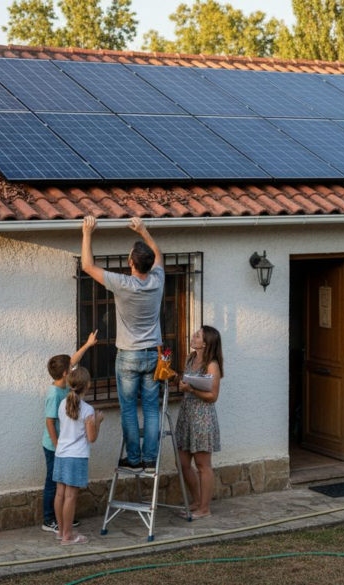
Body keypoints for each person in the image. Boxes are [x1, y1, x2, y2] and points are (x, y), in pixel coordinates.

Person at [80, 215, 165, 470]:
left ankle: (134, 459)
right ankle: (150, 459)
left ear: (130, 263)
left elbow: (86, 266)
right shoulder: (157, 280)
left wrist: (87, 233)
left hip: (128, 355)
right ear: (149, 265)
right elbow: (159, 253)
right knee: (150, 408)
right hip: (152, 354)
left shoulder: (122, 283)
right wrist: (144, 231)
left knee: (129, 409)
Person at [41, 331, 98, 534]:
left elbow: (73, 360)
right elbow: (49, 423)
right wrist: (57, 447)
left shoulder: (67, 393)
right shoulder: (56, 395)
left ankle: (64, 522)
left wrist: (88, 344)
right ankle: (50, 520)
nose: (72, 367)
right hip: (55, 446)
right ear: (66, 374)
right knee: (55, 485)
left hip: (63, 448)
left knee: (61, 490)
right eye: (70, 368)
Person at [175, 326, 224, 519]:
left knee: (203, 465)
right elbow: (185, 381)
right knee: (182, 463)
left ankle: (205, 508)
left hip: (203, 417)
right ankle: (196, 501)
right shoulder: (190, 359)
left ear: (206, 343)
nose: (193, 337)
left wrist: (192, 390)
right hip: (187, 414)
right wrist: (180, 383)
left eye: (198, 335)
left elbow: (213, 396)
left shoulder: (212, 365)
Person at [53, 367, 104, 546]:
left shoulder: (62, 404)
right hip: (76, 457)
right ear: (87, 385)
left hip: (61, 455)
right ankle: (68, 536)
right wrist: (97, 421)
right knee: (70, 497)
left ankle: (61, 531)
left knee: (60, 494)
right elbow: (92, 438)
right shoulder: (87, 409)